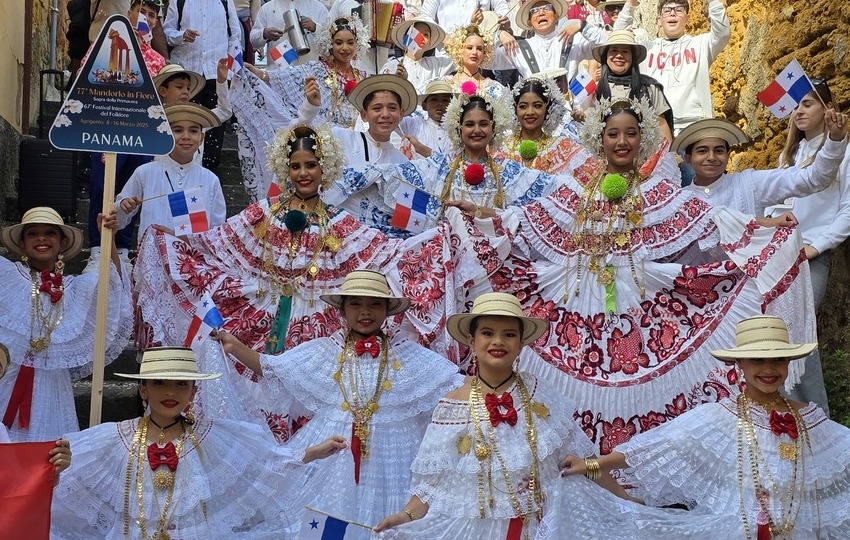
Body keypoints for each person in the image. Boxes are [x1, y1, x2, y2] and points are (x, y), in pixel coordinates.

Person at [452, 97, 817, 461]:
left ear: (641, 141)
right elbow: (522, 220)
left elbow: (714, 219)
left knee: (643, 395)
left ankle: (635, 468)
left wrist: (769, 226)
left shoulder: (657, 193)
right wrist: (481, 213)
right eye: (613, 134)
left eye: (630, 133)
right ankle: (579, 463)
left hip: (643, 308)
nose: (622, 141)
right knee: (583, 396)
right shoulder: (574, 192)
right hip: (578, 305)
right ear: (600, 139)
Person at [211, 271, 463, 538]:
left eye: (374, 304)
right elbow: (274, 369)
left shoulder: (409, 353)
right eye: (355, 303)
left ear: (388, 310)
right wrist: (235, 346)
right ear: (342, 309)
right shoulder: (325, 350)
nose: (365, 312)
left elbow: (454, 385)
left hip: (397, 455)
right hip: (334, 453)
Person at [557, 316, 850, 538]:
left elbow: (842, 448)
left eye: (778, 360)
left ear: (789, 362)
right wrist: (592, 464)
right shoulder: (717, 417)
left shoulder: (809, 419)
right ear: (741, 364)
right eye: (758, 360)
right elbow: (657, 447)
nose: (769, 369)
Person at [373, 292, 636, 538]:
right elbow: (432, 484)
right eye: (487, 333)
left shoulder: (539, 392)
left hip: (546, 526)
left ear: (521, 344)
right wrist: (405, 515)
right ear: (471, 340)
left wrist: (626, 502)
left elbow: (583, 458)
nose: (498, 341)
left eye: (509, 334)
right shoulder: (451, 406)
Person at [49, 346, 347, 539]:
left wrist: (313, 452)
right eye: (160, 383)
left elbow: (265, 463)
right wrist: (57, 470)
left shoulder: (214, 437)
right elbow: (63, 481)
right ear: (143, 390)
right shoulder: (112, 438)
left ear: (193, 392)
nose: (171, 391)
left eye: (182, 384)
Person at [325, 91, 563, 239]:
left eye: (483, 124)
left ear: (494, 128)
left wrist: (479, 212)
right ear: (458, 129)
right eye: (469, 124)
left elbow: (543, 204)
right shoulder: (437, 167)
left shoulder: (510, 172)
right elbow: (384, 179)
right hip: (445, 258)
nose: (477, 130)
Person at [0, 207, 132, 442]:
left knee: (46, 459)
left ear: (61, 244)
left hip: (52, 385)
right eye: (32, 233)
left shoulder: (74, 288)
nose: (41, 238)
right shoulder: (6, 275)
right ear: (22, 244)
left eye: (50, 233)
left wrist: (107, 236)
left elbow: (112, 283)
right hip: (6, 380)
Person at [769, 79, 850, 414]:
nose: (799, 111)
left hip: (811, 256)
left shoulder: (843, 151)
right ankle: (785, 413)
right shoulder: (789, 154)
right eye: (796, 105)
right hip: (777, 255)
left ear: (827, 109)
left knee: (799, 330)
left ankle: (818, 418)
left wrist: (817, 247)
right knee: (774, 330)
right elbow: (775, 201)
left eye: (807, 103)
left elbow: (847, 208)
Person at [676, 115, 848, 220]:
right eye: (702, 151)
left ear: (728, 156)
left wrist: (834, 140)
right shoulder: (678, 202)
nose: (711, 157)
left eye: (719, 150)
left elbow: (814, 179)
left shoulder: (749, 183)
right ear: (689, 159)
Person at [115, 103, 227, 245]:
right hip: (152, 259)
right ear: (167, 134)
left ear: (202, 138)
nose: (186, 136)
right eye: (178, 130)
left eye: (193, 131)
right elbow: (117, 220)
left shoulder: (210, 180)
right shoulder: (145, 172)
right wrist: (123, 206)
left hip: (195, 263)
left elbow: (218, 230)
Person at [163, 0, 242, 169]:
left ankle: (209, 174)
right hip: (187, 74)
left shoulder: (225, 2)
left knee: (214, 127)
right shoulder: (179, 1)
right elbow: (167, 32)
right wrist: (181, 35)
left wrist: (231, 71)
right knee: (183, 123)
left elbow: (235, 35)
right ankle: (178, 169)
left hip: (216, 74)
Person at [487, 0, 606, 82]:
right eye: (535, 11)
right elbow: (484, 60)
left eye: (546, 8)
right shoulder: (518, 48)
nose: (541, 13)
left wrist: (583, 25)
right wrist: (499, 35)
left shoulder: (574, 39)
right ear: (529, 22)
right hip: (534, 114)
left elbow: (606, 46)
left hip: (570, 114)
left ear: (556, 16)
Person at [495, 76, 590, 175]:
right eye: (523, 106)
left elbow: (593, 178)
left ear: (548, 109)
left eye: (537, 106)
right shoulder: (501, 148)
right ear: (515, 109)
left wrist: (586, 125)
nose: (530, 112)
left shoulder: (561, 147)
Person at [592, 30, 674, 143]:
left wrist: (671, 156)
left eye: (625, 51)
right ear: (606, 56)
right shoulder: (594, 91)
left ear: (633, 57)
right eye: (614, 50)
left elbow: (661, 124)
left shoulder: (649, 87)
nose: (619, 55)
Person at [381, 19, 455, 94]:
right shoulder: (392, 66)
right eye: (416, 33)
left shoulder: (436, 64)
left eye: (426, 34)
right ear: (407, 38)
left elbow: (460, 60)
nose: (421, 37)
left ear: (430, 42)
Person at [250, 0, 329, 67]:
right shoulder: (267, 8)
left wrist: (315, 27)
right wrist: (264, 33)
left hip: (309, 73)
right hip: (277, 73)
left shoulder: (318, 8)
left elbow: (329, 43)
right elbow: (253, 41)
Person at [442, 24, 505, 100]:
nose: (474, 52)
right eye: (469, 48)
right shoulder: (446, 83)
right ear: (459, 50)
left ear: (485, 53)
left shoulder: (492, 87)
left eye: (479, 49)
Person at [400, 79, 456, 158]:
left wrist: (421, 149)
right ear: (424, 105)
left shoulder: (458, 130)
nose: (440, 104)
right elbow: (392, 119)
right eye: (434, 99)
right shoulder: (414, 124)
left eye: (445, 100)